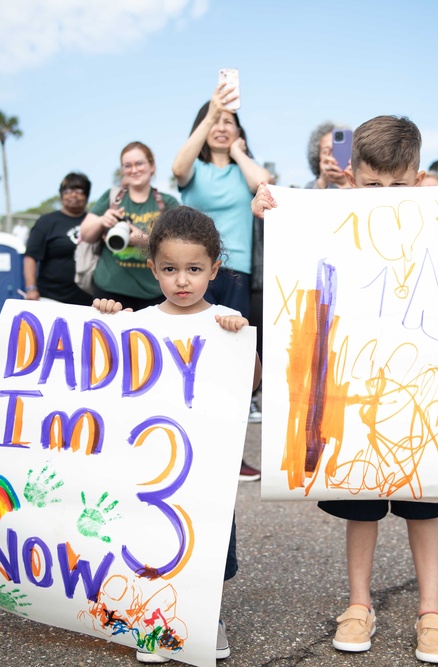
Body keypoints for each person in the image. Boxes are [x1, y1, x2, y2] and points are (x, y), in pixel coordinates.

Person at [252, 115, 438, 664]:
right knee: (360, 502)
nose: (384, 197)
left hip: (425, 384)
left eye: (396, 185)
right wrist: (269, 206)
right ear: (352, 176)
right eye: (371, 186)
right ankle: (358, 604)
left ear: (416, 178)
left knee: (423, 502)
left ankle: (431, 612)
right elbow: (290, 229)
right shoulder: (328, 209)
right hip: (355, 385)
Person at [92, 206, 261, 663]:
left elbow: (253, 381)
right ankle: (153, 622)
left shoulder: (225, 319)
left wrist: (240, 338)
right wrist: (106, 318)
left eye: (193, 269)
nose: (182, 280)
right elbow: (102, 371)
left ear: (214, 270)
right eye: (169, 269)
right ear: (153, 268)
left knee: (208, 541)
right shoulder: (139, 322)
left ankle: (207, 617)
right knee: (152, 539)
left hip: (208, 465)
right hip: (153, 464)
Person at [172, 80, 271, 477]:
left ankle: (230, 455)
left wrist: (236, 151)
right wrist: (213, 110)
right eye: (216, 120)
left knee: (231, 362)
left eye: (231, 121)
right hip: (191, 269)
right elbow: (178, 169)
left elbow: (262, 183)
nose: (222, 126)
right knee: (190, 358)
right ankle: (186, 446)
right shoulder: (192, 168)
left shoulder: (240, 169)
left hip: (235, 272)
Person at [79, 142, 178, 311]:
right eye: (127, 165)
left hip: (155, 292)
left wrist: (142, 239)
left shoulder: (168, 203)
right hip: (109, 290)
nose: (134, 170)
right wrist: (102, 220)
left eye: (139, 163)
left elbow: (178, 248)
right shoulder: (112, 198)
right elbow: (85, 235)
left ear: (151, 166)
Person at [23, 172, 94, 306]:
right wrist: (31, 288)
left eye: (79, 190)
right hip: (51, 299)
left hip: (88, 301)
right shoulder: (46, 222)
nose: (73, 195)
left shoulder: (94, 221)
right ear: (61, 195)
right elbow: (31, 257)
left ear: (87, 195)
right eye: (68, 190)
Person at [305, 121, 351, 189]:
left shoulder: (364, 182)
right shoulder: (311, 187)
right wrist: (322, 183)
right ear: (317, 157)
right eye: (326, 151)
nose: (333, 156)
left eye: (339, 150)